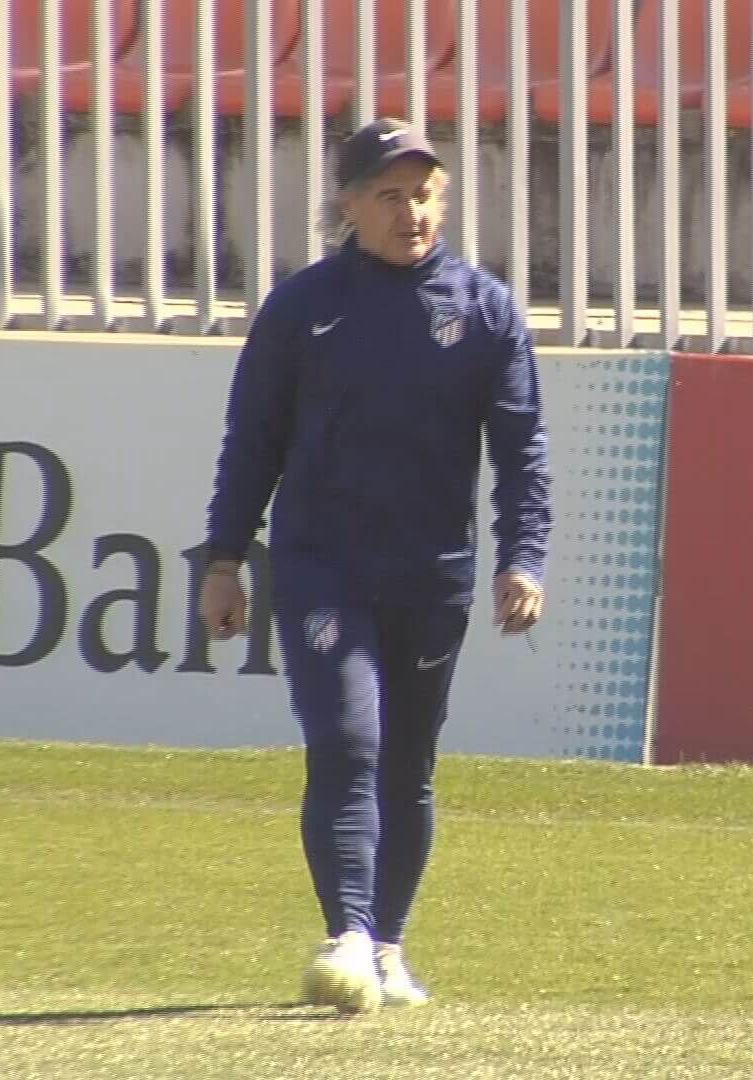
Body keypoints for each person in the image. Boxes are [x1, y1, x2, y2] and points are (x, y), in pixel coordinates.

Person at [198, 118, 552, 1014]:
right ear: (347, 206)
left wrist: (524, 558)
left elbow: (522, 451)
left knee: (408, 764)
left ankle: (388, 944)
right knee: (347, 741)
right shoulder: (301, 308)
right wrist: (225, 558)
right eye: (390, 195)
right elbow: (253, 444)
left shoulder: (484, 309)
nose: (412, 211)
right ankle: (348, 932)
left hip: (434, 574)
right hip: (324, 569)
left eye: (425, 192)